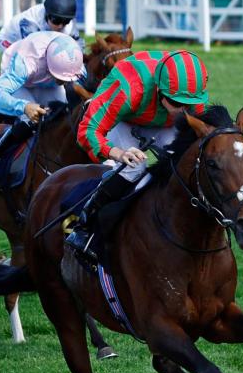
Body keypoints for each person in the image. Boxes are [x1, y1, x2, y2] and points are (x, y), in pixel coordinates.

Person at [64, 50, 209, 260]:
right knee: (134, 169)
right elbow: (87, 131)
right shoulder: (128, 88)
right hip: (123, 119)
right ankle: (85, 224)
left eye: (188, 104)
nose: (183, 110)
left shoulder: (189, 93)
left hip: (161, 122)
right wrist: (118, 153)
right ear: (159, 89)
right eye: (176, 103)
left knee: (184, 165)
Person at [0, 31, 84, 186]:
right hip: (20, 79)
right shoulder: (26, 63)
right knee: (31, 119)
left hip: (47, 78)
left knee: (63, 116)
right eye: (62, 77)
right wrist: (24, 106)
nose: (63, 81)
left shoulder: (72, 58)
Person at [0, 0, 84, 53]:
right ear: (47, 14)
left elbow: (78, 47)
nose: (61, 26)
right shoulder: (31, 22)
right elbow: (34, 51)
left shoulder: (70, 23)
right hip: (10, 40)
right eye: (56, 21)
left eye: (66, 21)